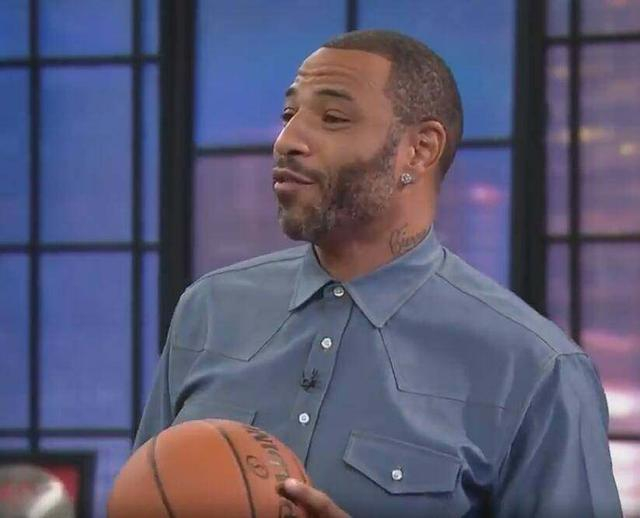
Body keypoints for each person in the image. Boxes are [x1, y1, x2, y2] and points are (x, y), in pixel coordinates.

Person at [134, 30, 622, 517]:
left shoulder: (537, 367)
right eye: (288, 115)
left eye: (333, 118)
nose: (287, 141)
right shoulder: (209, 309)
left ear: (419, 150)